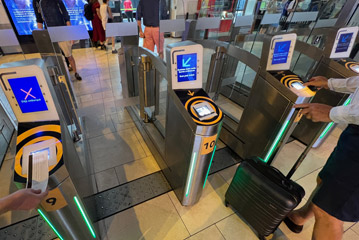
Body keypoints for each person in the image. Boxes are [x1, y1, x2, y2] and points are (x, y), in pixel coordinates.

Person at [284, 75, 359, 239]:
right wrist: (330, 83)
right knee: (325, 180)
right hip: (355, 133)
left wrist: (333, 112)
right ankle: (300, 217)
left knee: (330, 213)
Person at [33, 0, 82, 80]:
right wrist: (41, 36)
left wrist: (70, 33)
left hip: (61, 30)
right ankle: (59, 75)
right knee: (54, 57)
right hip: (49, 32)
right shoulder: (36, 1)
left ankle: (76, 72)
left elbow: (65, 15)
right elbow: (39, 19)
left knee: (68, 54)